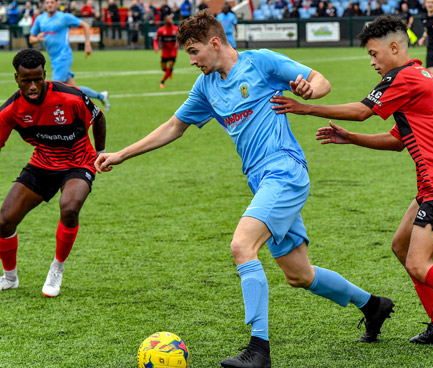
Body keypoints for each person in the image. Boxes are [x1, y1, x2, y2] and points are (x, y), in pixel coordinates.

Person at [95, 9, 394, 368]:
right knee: (299, 274)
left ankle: (258, 350)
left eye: (193, 51)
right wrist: (122, 154)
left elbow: (320, 80)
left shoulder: (261, 63)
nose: (190, 60)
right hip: (261, 181)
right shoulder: (206, 86)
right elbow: (175, 126)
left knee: (242, 245)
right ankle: (373, 305)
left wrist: (308, 89)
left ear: (215, 43)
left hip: (284, 172)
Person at [270, 15, 433, 365]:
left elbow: (361, 111)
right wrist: (350, 138)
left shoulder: (401, 78)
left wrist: (305, 107)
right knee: (402, 246)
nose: (372, 62)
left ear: (395, 47)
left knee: (419, 263)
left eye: (374, 54)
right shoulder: (418, 78)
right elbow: (398, 140)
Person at [0, 49, 106, 297]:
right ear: (17, 78)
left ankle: (56, 268)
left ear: (44, 75)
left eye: (38, 79)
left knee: (69, 208)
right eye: (27, 81)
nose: (33, 86)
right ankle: (10, 277)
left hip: (79, 161)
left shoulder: (70, 97)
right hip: (42, 163)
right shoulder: (10, 110)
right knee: (4, 221)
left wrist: (101, 152)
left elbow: (98, 118)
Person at [30, 0, 111, 111]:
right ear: (45, 4)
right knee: (74, 90)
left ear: (57, 4)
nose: (49, 4)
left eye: (52, 2)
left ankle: (55, 117)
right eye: (47, 2)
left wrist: (87, 44)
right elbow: (31, 39)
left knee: (54, 89)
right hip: (53, 59)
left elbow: (85, 26)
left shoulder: (64, 17)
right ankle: (101, 96)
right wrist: (37, 39)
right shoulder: (40, 19)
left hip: (64, 57)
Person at [154, 14, 178, 88]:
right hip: (165, 51)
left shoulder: (176, 29)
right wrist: (156, 47)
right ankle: (169, 72)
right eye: (169, 19)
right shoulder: (161, 30)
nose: (171, 21)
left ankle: (162, 82)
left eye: (172, 19)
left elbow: (180, 38)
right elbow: (156, 40)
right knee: (164, 68)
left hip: (173, 51)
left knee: (170, 65)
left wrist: (178, 43)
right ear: (166, 21)